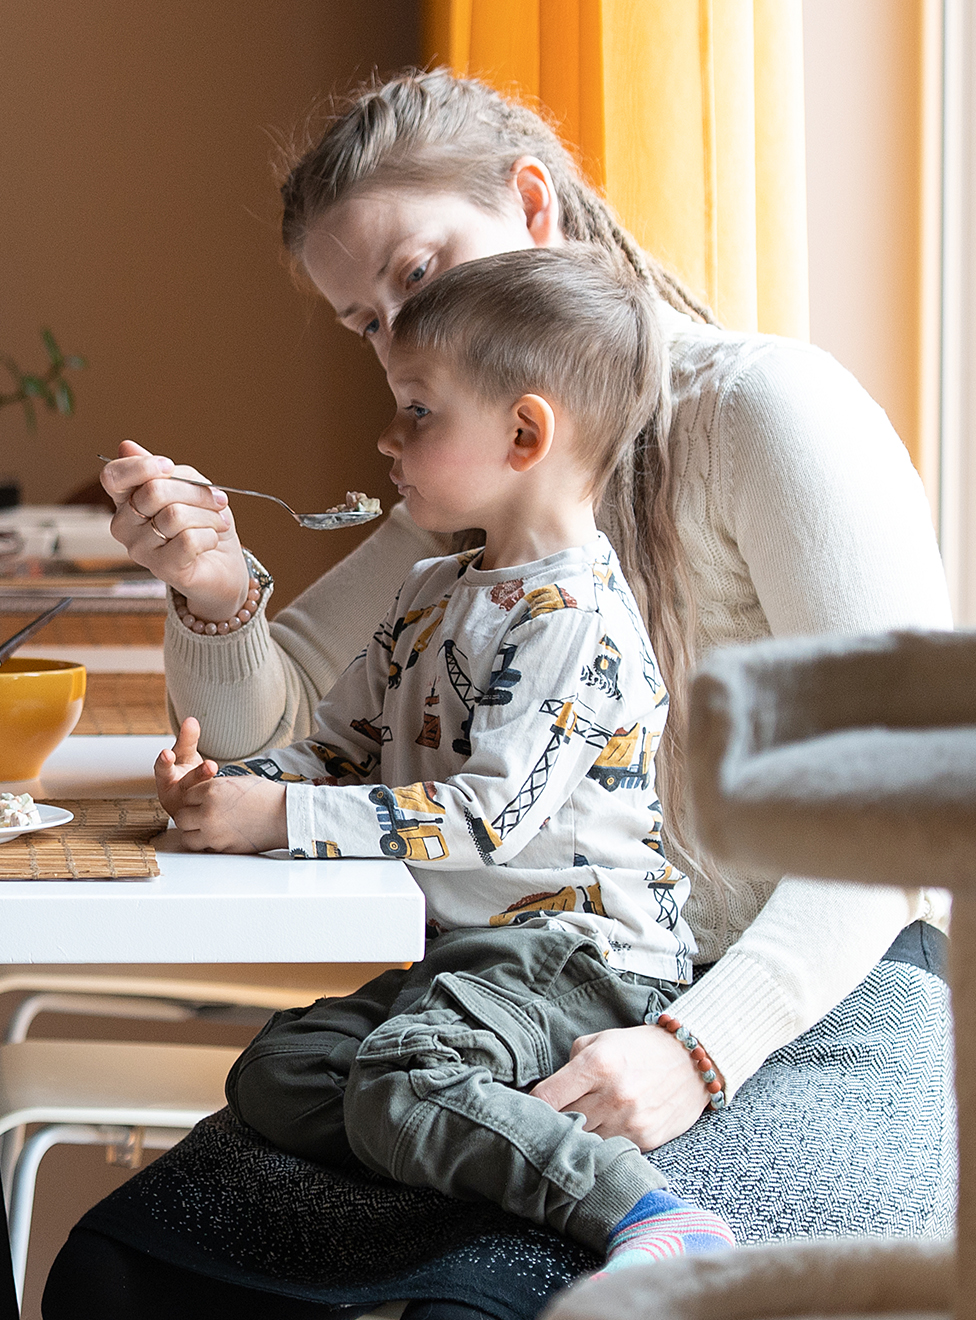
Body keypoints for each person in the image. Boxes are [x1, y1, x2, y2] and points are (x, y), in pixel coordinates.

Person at [56, 69, 953, 1311]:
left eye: (414, 278)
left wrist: (700, 1046)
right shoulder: (471, 493)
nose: (392, 343)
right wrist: (213, 590)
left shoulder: (766, 412)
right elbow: (273, 731)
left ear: (531, 203)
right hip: (516, 993)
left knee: (487, 1301)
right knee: (120, 1272)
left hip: (796, 1004)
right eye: (362, 321)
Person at [156, 246, 729, 1273]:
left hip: (580, 956)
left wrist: (269, 823)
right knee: (279, 1071)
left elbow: (485, 820)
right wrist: (233, 790)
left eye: (417, 411)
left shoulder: (574, 620)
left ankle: (648, 1218)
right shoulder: (429, 591)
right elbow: (338, 753)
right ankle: (467, 1144)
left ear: (522, 433)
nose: (384, 436)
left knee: (398, 1083)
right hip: (469, 956)